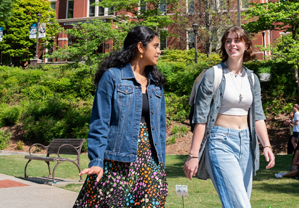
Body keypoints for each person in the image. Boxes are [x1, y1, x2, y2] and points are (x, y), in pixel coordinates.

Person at [74, 26, 168, 208]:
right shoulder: (112, 77)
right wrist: (96, 161)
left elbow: (161, 127)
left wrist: (160, 165)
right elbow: (100, 122)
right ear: (141, 47)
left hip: (150, 162)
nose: (159, 50)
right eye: (155, 46)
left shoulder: (156, 84)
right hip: (118, 160)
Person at [183, 26, 275, 208]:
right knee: (240, 204)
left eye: (237, 40)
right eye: (228, 41)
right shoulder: (213, 75)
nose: (232, 44)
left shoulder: (253, 79)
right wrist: (193, 155)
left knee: (238, 202)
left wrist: (267, 145)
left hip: (246, 145)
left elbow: (258, 115)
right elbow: (200, 118)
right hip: (220, 142)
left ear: (246, 45)